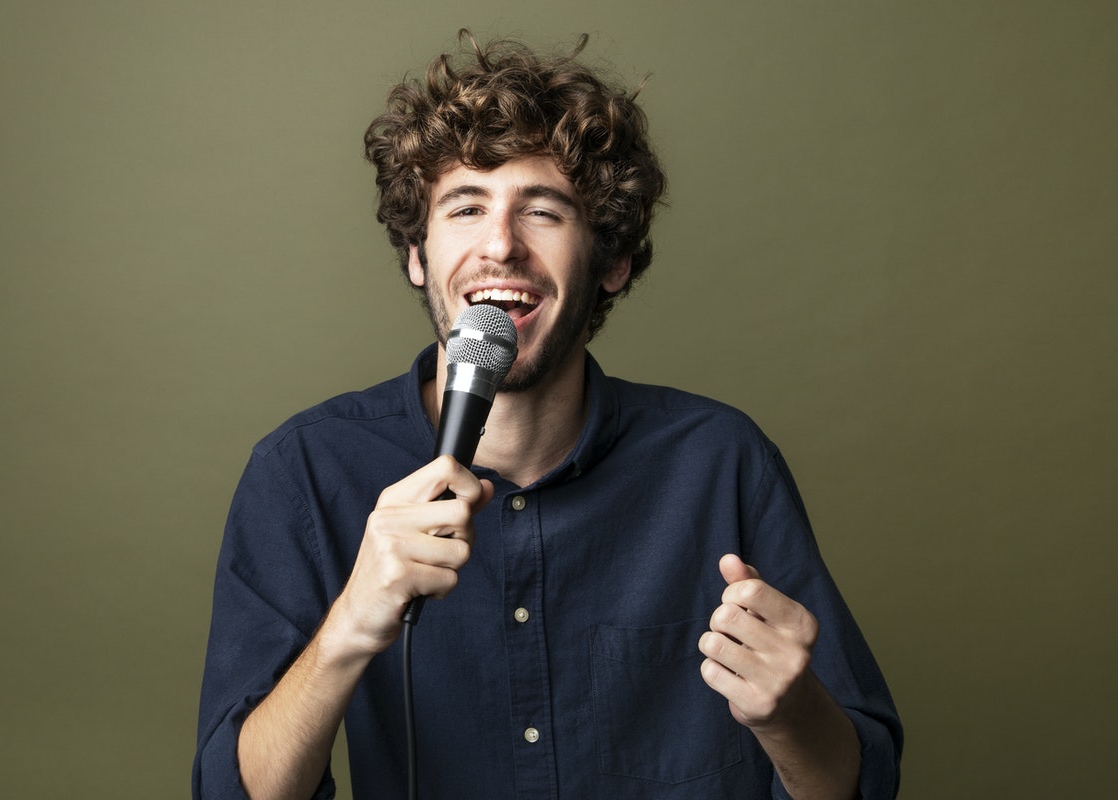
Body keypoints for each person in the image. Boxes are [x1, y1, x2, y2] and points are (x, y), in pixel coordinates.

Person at [194, 31, 902, 800]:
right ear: (416, 254)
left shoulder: (721, 461)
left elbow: (861, 784)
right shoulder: (305, 471)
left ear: (612, 262)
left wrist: (791, 713)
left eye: (545, 211)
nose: (501, 244)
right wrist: (351, 625)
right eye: (465, 207)